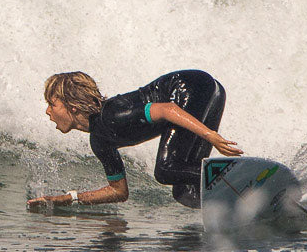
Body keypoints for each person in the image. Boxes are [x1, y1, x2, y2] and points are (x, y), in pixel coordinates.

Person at [28, 69, 241, 211]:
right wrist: (65, 199)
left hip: (191, 87)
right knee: (185, 191)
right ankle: (237, 199)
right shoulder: (99, 141)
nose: (48, 112)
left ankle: (237, 177)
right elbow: (119, 191)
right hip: (204, 91)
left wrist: (209, 135)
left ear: (72, 107)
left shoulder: (113, 116)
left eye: (52, 104)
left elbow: (167, 109)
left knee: (166, 169)